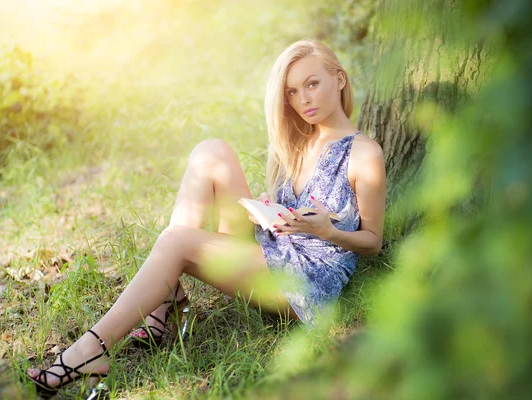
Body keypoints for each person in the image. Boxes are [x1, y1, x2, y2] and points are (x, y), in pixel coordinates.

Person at [26, 39, 386, 397]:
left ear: (339, 79)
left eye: (312, 84)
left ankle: (90, 350)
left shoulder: (363, 152)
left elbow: (372, 240)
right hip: (271, 250)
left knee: (176, 240)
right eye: (292, 91)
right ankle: (163, 307)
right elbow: (291, 213)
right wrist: (267, 209)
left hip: (303, 283)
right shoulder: (299, 140)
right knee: (209, 152)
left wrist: (327, 230)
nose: (303, 99)